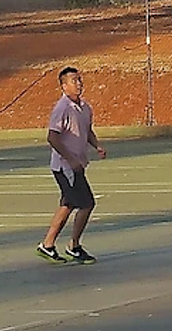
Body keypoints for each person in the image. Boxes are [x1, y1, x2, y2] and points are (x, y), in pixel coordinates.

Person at [36, 67, 106, 264]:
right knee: (87, 203)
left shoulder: (85, 107)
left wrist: (97, 145)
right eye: (74, 81)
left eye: (80, 80)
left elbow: (87, 131)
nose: (79, 84)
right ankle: (74, 246)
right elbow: (52, 137)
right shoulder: (62, 108)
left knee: (67, 203)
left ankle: (47, 245)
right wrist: (71, 159)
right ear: (64, 86)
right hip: (64, 167)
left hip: (77, 165)